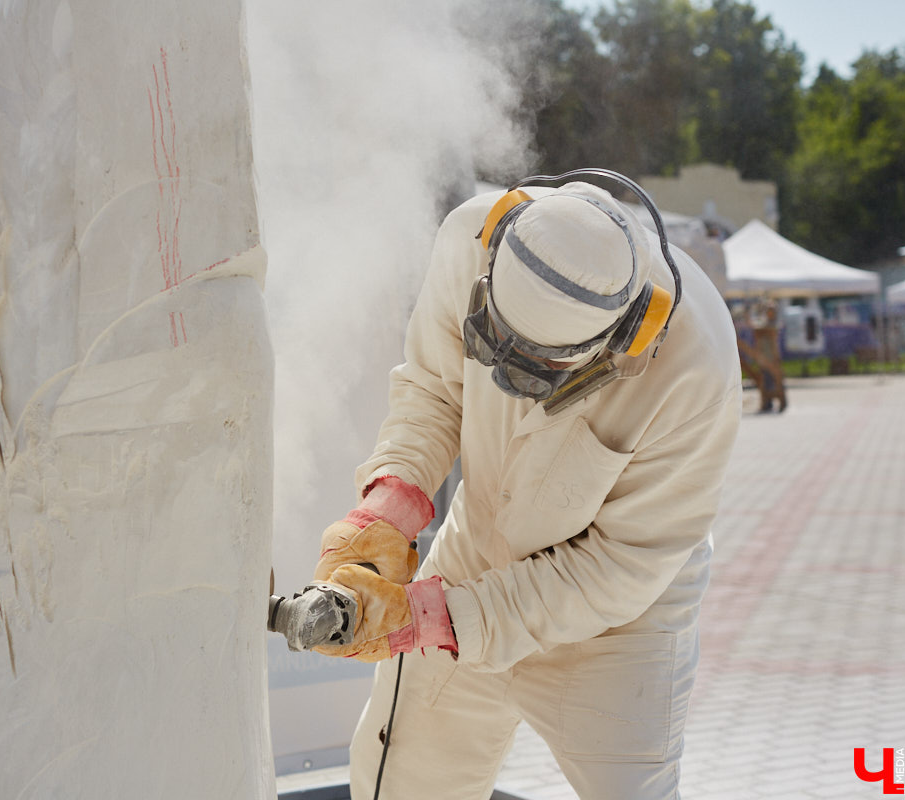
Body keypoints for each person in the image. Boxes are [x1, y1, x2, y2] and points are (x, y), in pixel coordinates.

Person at [311, 170, 742, 800]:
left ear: (626, 337)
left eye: (534, 369)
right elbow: (434, 388)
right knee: (408, 778)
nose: (506, 378)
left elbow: (619, 565)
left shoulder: (694, 370)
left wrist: (426, 617)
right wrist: (387, 507)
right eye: (495, 345)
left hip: (616, 620)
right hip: (472, 557)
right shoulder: (469, 237)